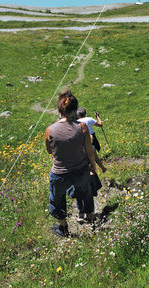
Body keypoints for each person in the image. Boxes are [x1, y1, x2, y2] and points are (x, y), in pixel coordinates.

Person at [45, 90, 105, 237]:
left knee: (57, 199)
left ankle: (63, 228)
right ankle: (92, 223)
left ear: (59, 109)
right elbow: (89, 151)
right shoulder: (82, 127)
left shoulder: (49, 130)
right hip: (80, 170)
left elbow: (49, 151)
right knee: (86, 194)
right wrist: (94, 166)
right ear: (75, 109)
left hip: (59, 173)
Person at [76, 107, 106, 223]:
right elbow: (100, 124)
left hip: (77, 163)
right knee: (93, 155)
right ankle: (90, 214)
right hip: (90, 142)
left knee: (79, 189)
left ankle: (81, 213)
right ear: (85, 114)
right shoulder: (89, 119)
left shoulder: (76, 123)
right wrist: (98, 116)